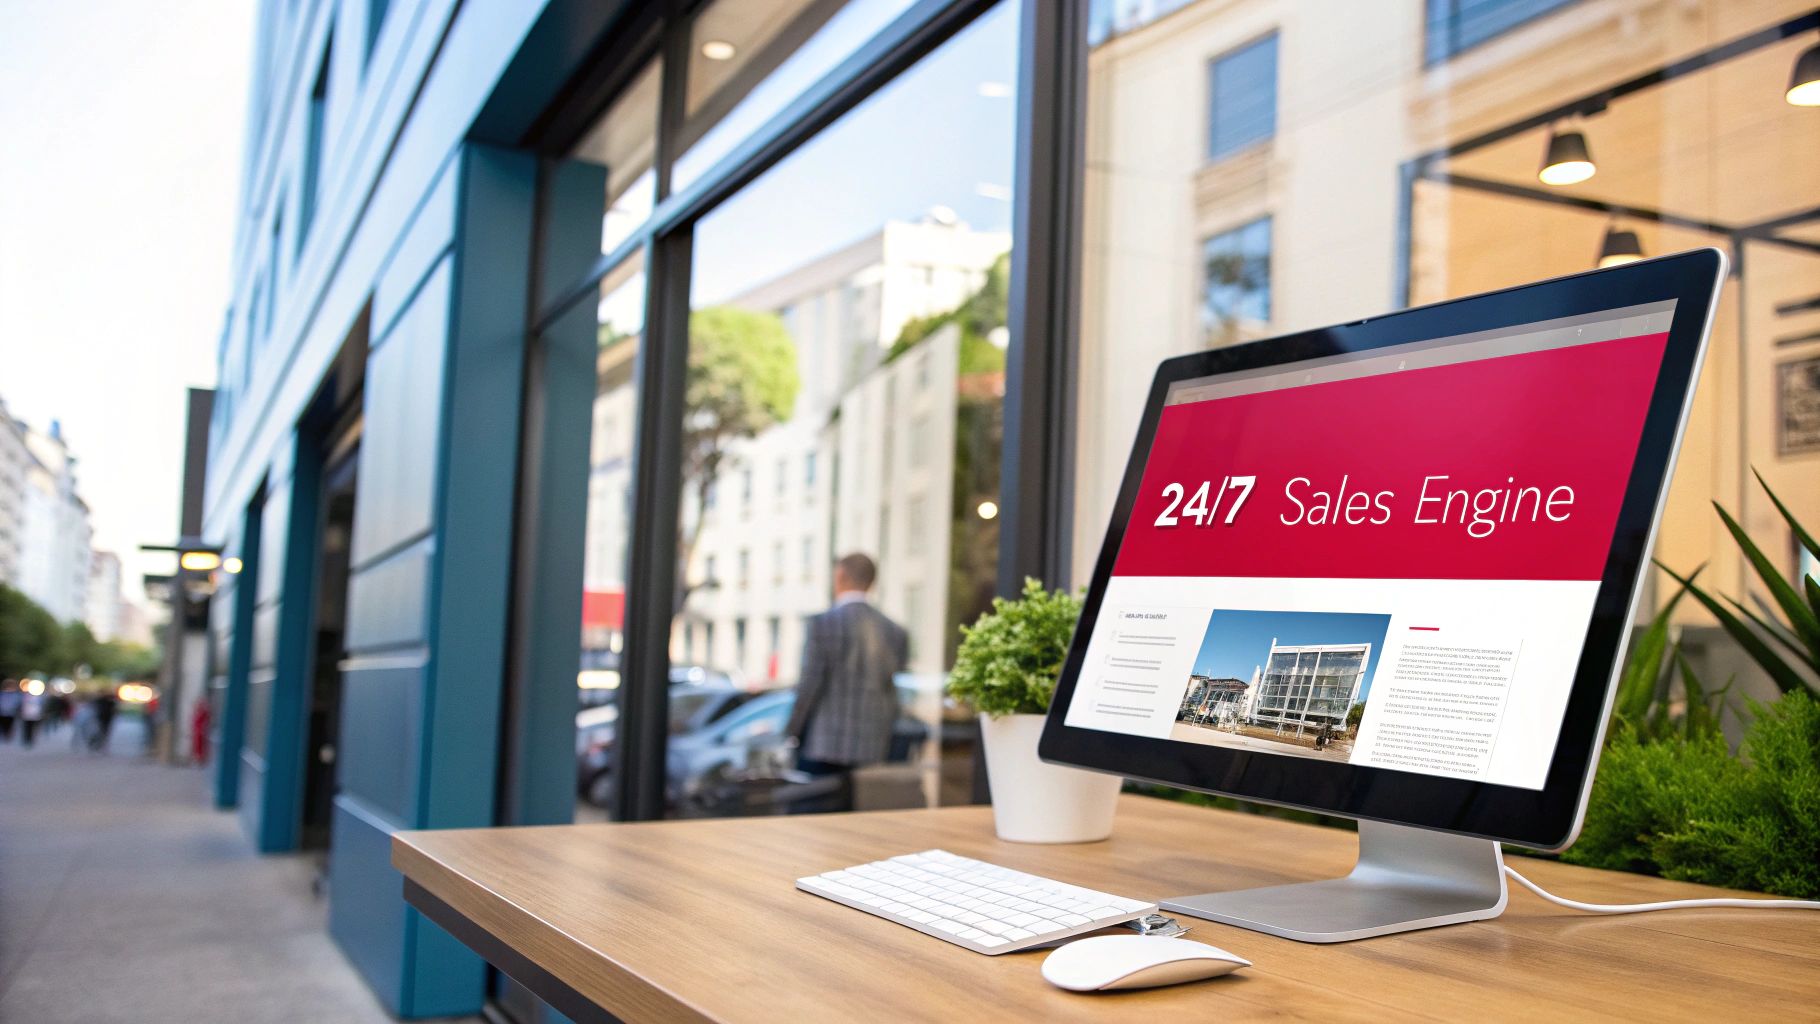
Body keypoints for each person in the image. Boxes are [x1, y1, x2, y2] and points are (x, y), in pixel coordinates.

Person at [786, 553, 909, 812]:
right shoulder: (894, 631)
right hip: (872, 747)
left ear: (840, 576)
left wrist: (792, 733)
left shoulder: (824, 623)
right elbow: (891, 692)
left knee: (816, 827)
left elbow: (810, 686)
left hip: (823, 746)